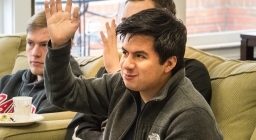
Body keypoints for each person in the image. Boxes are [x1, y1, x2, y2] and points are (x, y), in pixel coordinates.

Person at [43, 0, 223, 139]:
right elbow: (64, 93)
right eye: (125, 53)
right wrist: (59, 46)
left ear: (169, 64)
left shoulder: (190, 115)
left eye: (140, 56)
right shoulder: (120, 85)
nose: (126, 64)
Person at [0, 8, 84, 128]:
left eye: (44, 45)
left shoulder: (66, 92)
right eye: (30, 43)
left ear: (66, 46)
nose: (35, 53)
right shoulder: (12, 81)